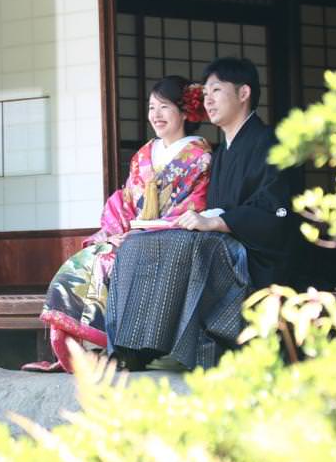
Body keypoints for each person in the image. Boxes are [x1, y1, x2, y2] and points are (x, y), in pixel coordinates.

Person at [106, 56, 292, 372]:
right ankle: (131, 346)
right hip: (223, 241)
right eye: (204, 92)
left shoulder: (269, 142)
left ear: (243, 93)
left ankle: (152, 347)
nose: (207, 99)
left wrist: (218, 222)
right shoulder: (221, 153)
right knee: (138, 244)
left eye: (216, 90)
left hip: (258, 250)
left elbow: (276, 209)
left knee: (185, 244)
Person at [25, 76, 212, 373]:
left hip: (167, 239)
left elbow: (195, 205)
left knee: (121, 263)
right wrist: (117, 234)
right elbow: (124, 200)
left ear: (186, 112)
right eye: (152, 107)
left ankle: (122, 350)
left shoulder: (201, 157)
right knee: (87, 261)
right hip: (130, 234)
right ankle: (89, 351)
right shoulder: (143, 155)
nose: (156, 115)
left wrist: (144, 233)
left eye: (164, 107)